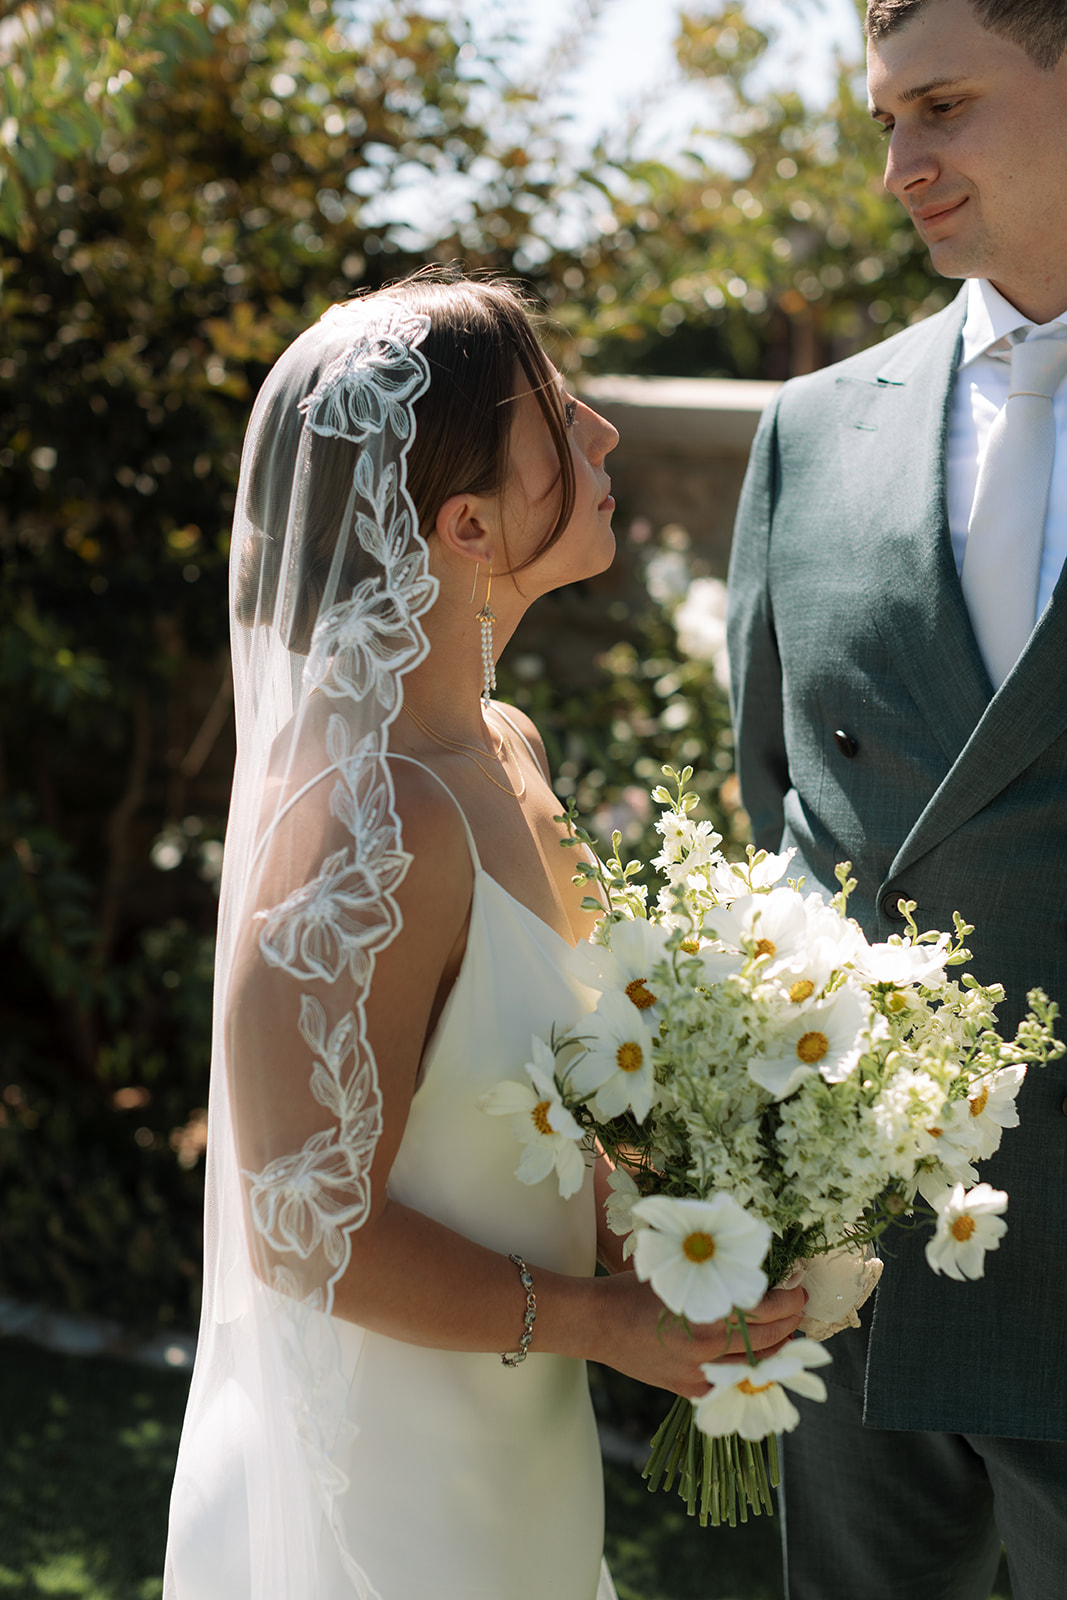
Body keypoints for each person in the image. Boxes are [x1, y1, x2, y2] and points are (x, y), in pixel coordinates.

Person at [164, 271, 805, 1600]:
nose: (604, 437)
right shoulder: (366, 815)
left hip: (522, 1466)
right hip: (390, 1501)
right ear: (465, 523)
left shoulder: (503, 747)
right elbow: (303, 1227)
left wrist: (697, 1234)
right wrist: (603, 1323)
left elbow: (554, 1093)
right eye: (561, 416)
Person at [726, 2, 1067, 1596]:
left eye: (941, 106)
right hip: (870, 1249)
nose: (899, 167)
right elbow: (777, 808)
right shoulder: (808, 434)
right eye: (881, 121)